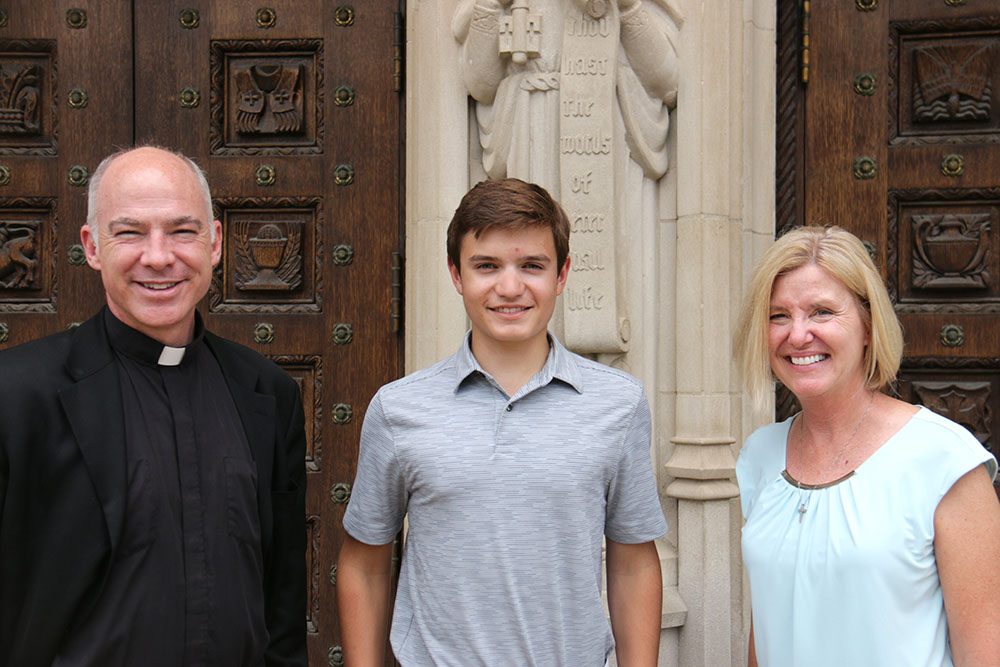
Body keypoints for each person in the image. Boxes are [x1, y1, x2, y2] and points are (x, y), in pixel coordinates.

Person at [337, 177, 666, 666]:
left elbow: (633, 564)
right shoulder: (397, 409)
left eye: (532, 266)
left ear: (562, 274)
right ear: (456, 274)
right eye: (486, 266)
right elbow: (364, 565)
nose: (510, 287)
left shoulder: (618, 404)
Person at [0, 146, 307, 666]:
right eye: (130, 232)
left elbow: (282, 600)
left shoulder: (268, 392)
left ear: (214, 243)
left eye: (183, 231)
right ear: (92, 246)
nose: (160, 256)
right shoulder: (16, 395)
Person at [734, 226, 1000, 666]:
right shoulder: (760, 455)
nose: (797, 335)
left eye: (821, 312)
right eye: (778, 315)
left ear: (866, 325)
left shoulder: (945, 461)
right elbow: (769, 623)